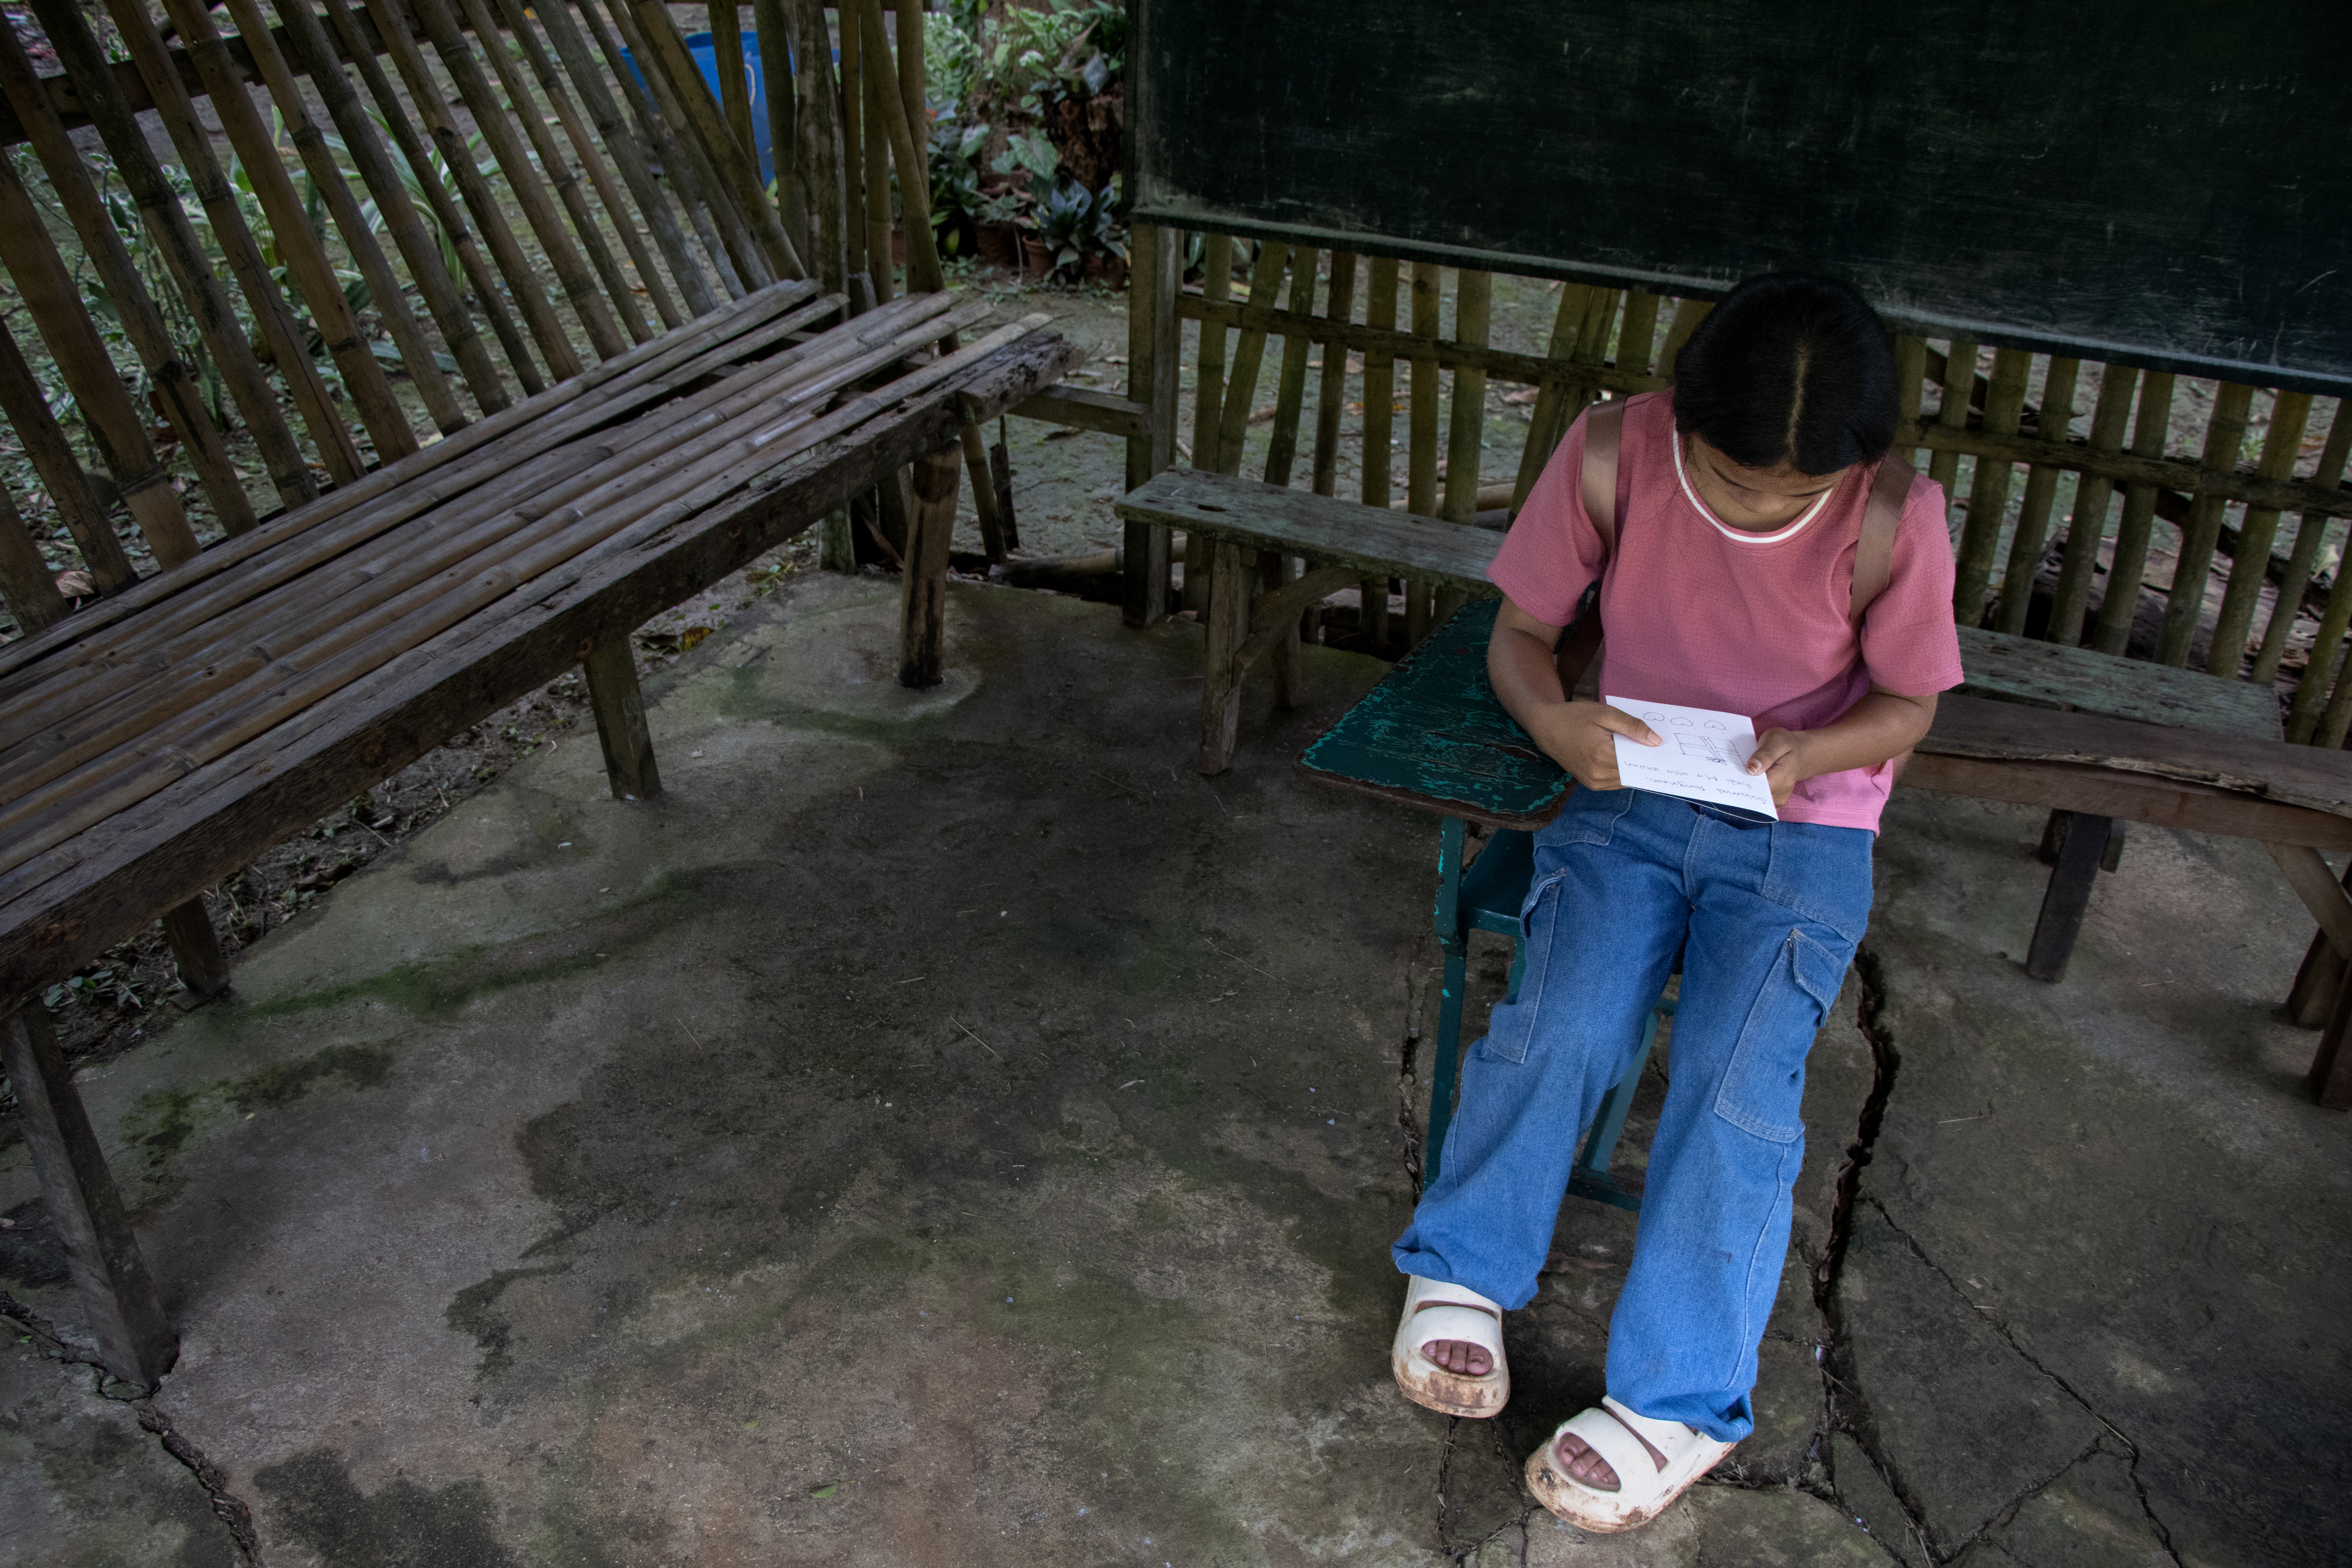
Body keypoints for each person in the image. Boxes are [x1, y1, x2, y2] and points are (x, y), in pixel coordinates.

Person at [1386, 272, 1964, 1532]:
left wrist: (1814, 752)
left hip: (1805, 825)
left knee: (1733, 1086)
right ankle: (1465, 1264)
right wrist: (1554, 722)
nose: (1761, 506)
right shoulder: (1614, 454)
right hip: (1628, 793)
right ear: (1682, 414)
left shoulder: (1895, 519)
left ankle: (1683, 1400)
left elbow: (1909, 705)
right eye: (1734, 477)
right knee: (1569, 1021)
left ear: (1860, 462)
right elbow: (1519, 637)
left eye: (1796, 495)